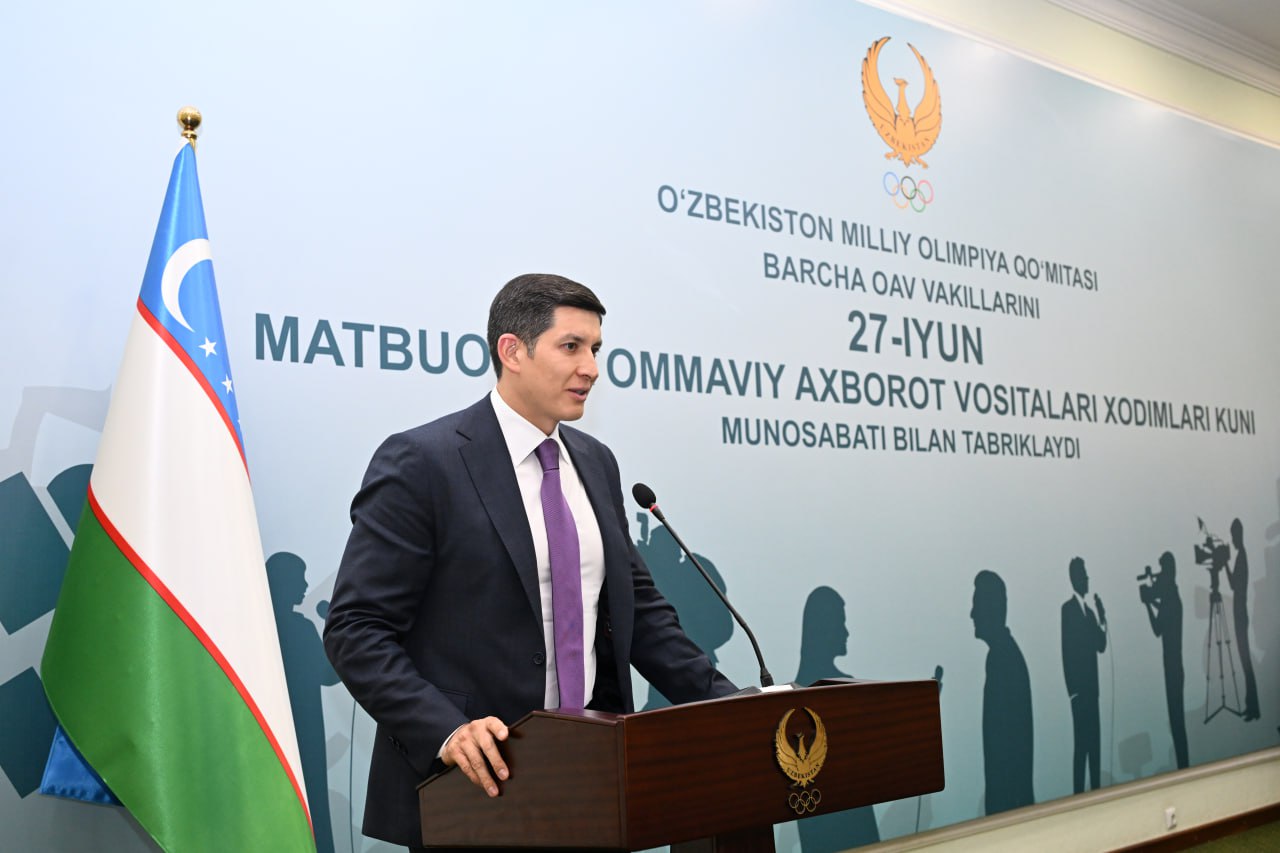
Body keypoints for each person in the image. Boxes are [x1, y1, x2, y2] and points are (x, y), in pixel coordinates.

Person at [323, 273, 737, 849]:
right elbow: (355, 628)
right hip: (474, 784)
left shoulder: (596, 462)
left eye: (596, 349)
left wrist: (733, 709)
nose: (591, 368)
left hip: (593, 775)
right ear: (512, 351)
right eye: (571, 347)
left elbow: (638, 612)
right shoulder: (423, 462)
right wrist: (446, 731)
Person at [970, 570, 1034, 815]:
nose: (972, 614)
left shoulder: (1003, 659)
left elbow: (1007, 750)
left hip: (1011, 808)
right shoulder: (1003, 655)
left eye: (977, 604)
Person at [1060, 557, 1107, 792]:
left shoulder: (1089, 613)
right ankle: (1078, 793)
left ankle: (1097, 790)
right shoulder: (1068, 610)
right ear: (1075, 578)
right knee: (1081, 746)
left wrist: (1102, 618)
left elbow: (1101, 645)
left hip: (1092, 691)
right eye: (1083, 575)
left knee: (1094, 744)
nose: (1087, 579)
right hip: (1080, 693)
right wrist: (1073, 691)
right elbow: (1066, 650)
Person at [1142, 552, 1188, 769]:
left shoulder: (1171, 600)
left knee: (1177, 723)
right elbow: (1163, 614)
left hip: (1172, 670)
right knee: (1177, 723)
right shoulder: (1173, 598)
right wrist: (1151, 600)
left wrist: (1147, 604)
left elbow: (1157, 628)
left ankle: (1183, 766)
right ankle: (1183, 765)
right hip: (1174, 668)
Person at [1226, 519, 1260, 721]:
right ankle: (1251, 705)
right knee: (1245, 663)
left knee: (1246, 663)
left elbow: (1233, 585)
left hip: (1240, 615)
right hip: (1240, 613)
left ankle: (1253, 707)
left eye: (1233, 536)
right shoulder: (1241, 556)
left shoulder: (1241, 557)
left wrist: (1224, 565)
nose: (1232, 540)